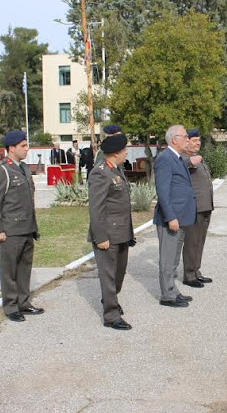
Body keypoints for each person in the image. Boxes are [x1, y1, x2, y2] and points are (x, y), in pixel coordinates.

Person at [0, 130, 43, 322]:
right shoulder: (1, 170)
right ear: (12, 148)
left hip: (27, 227)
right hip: (11, 229)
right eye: (23, 146)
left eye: (26, 145)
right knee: (10, 270)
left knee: (24, 268)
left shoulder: (24, 168)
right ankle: (11, 307)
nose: (27, 149)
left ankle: (23, 302)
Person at [88, 133, 136, 330]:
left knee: (119, 273)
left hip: (122, 232)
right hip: (107, 234)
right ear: (116, 153)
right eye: (125, 150)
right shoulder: (99, 173)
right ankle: (111, 316)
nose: (126, 153)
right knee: (108, 275)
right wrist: (101, 237)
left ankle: (110, 299)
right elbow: (96, 208)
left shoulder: (116, 169)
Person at [153, 125, 197, 307]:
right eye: (185, 136)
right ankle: (167, 295)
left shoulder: (177, 157)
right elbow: (163, 192)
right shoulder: (164, 158)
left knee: (174, 258)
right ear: (174, 139)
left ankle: (173, 289)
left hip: (180, 218)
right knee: (167, 258)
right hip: (171, 219)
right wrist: (170, 217)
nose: (188, 139)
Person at [181, 129, 214, 288]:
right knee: (192, 242)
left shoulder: (198, 158)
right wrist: (190, 162)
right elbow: (178, 167)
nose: (198, 143)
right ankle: (188, 275)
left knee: (200, 241)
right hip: (194, 208)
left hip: (205, 206)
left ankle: (196, 271)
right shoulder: (184, 158)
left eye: (199, 140)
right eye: (194, 141)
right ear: (186, 142)